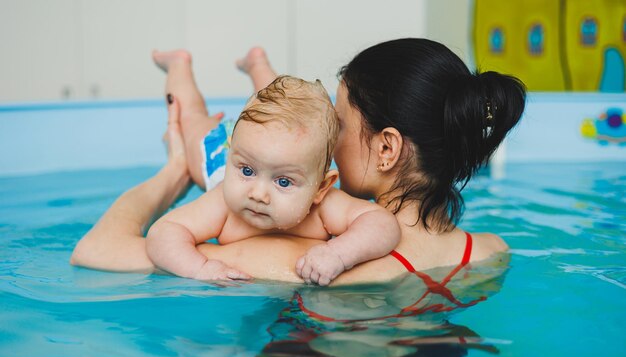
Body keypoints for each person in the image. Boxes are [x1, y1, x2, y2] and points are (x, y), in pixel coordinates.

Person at [71, 38, 526, 286]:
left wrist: (173, 172)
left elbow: (94, 251)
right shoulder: (490, 252)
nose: (329, 135)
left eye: (340, 122)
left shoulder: (302, 259)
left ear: (387, 149)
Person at [144, 59, 400, 285]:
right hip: (221, 156)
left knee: (286, 113)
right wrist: (199, 268)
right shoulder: (223, 202)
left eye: (284, 182)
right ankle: (178, 64)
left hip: (256, 146)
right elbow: (162, 233)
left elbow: (383, 224)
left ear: (321, 187)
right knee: (191, 121)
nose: (258, 194)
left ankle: (257, 64)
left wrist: (339, 253)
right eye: (247, 172)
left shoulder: (322, 207)